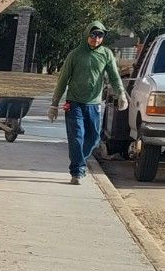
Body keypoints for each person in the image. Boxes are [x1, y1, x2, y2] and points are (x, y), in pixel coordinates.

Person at [49, 23, 126, 184]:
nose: (96, 39)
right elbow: (63, 80)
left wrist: (121, 94)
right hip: (74, 103)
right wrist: (54, 104)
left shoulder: (106, 54)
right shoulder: (75, 55)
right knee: (77, 136)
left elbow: (114, 76)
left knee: (93, 139)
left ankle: (78, 159)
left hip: (94, 104)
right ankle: (77, 171)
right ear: (87, 35)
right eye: (93, 35)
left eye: (100, 36)